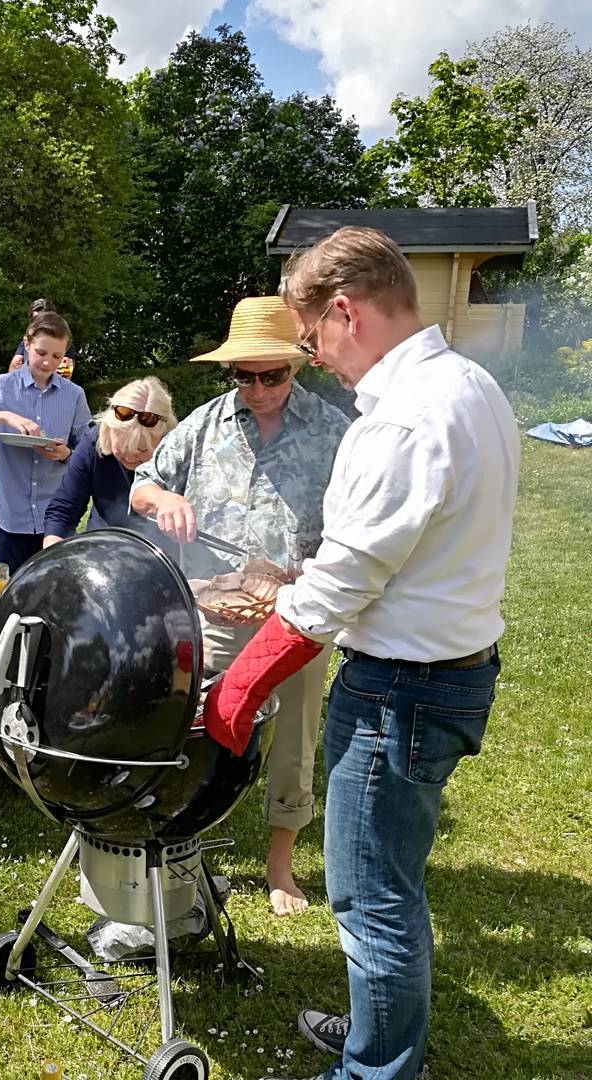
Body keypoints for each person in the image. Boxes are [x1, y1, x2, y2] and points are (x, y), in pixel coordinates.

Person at [203, 229, 518, 1080]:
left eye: (311, 341)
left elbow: (340, 588)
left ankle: (376, 1070)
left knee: (372, 899)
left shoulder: (407, 417)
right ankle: (377, 1036)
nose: (319, 359)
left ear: (344, 310)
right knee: (390, 883)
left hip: (399, 690)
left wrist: (238, 687)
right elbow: (395, 553)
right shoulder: (472, 385)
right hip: (450, 670)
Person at [131, 295, 350, 916]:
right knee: (200, 728)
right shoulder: (202, 426)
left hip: (299, 614)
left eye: (271, 375)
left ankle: (280, 864)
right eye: (243, 375)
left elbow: (359, 520)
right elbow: (140, 482)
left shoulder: (334, 431)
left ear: (296, 365)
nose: (257, 388)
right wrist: (161, 502)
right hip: (217, 614)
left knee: (293, 737)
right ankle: (189, 839)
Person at [0, 310, 91, 573]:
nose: (48, 363)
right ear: (26, 344)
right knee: (11, 599)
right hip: (10, 519)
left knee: (56, 597)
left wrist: (66, 454)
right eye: (41, 353)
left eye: (57, 356)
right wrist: (5, 415)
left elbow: (89, 449)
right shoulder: (1, 387)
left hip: (56, 520)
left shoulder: (74, 395)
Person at [43, 377, 177, 546]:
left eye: (141, 451)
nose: (129, 457)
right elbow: (64, 510)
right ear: (108, 431)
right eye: (121, 447)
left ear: (162, 439)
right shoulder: (93, 442)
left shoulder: (178, 452)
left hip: (163, 554)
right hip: (104, 547)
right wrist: (54, 551)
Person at [8, 299, 79, 378]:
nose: (38, 323)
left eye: (56, 356)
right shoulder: (26, 342)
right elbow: (13, 370)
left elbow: (66, 373)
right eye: (34, 320)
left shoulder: (62, 343)